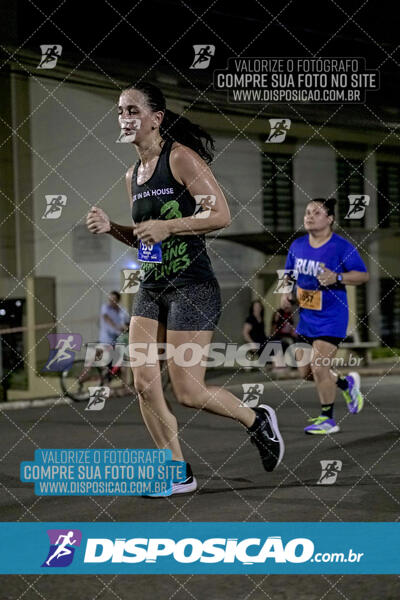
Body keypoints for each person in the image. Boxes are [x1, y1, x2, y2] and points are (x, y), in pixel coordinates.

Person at [86, 81, 284, 494]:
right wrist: (113, 229)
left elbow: (221, 214)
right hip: (153, 286)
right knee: (143, 382)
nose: (124, 118)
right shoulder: (131, 176)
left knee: (188, 391)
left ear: (156, 119)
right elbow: (146, 236)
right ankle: (177, 472)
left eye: (133, 111)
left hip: (192, 285)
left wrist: (170, 225)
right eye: (120, 111)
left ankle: (256, 419)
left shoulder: (180, 158)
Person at [281, 198, 369, 434]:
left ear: (330, 219)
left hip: (332, 317)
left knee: (320, 366)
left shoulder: (341, 246)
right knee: (307, 372)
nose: (309, 216)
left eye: (317, 212)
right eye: (308, 212)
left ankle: (327, 419)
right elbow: (287, 274)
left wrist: (337, 278)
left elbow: (362, 276)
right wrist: (285, 294)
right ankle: (346, 384)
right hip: (307, 317)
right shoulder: (298, 245)